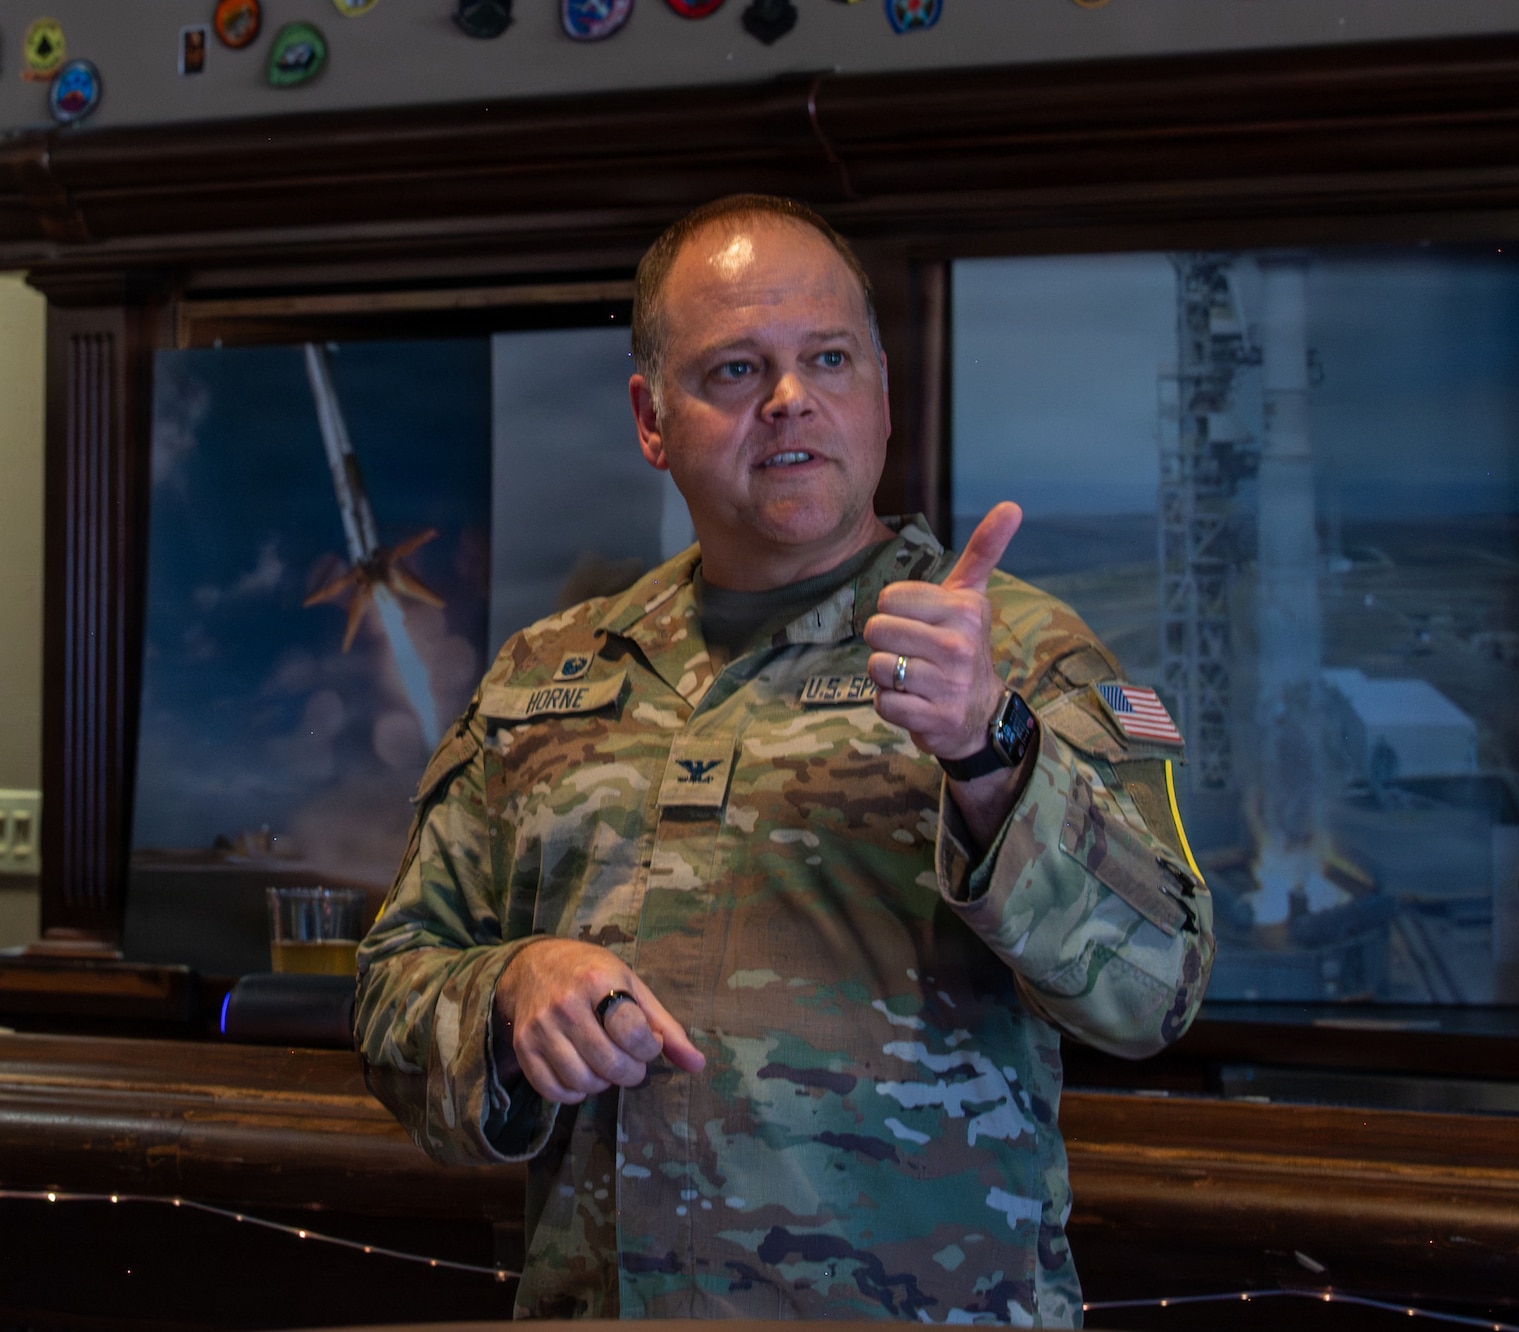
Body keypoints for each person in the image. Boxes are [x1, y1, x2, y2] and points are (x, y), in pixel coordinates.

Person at [355, 194, 1213, 1325]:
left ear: (882, 395)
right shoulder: (541, 676)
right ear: (650, 418)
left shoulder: (1016, 655)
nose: (791, 398)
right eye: (733, 371)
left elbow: (1157, 992)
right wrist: (509, 996)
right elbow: (391, 987)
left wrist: (989, 748)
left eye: (829, 358)